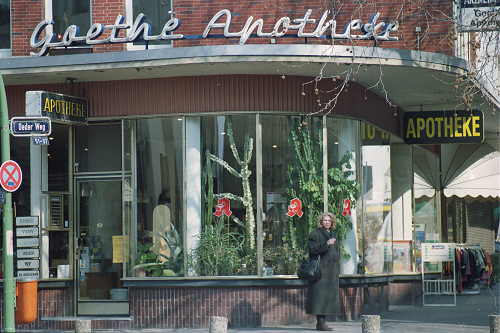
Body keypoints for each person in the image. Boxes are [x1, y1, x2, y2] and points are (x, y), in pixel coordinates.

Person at [305, 212, 340, 331]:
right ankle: (320, 322)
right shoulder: (315, 233)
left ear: (332, 223)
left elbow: (336, 253)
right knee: (320, 298)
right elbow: (311, 249)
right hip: (321, 271)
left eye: (329, 221)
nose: (327, 223)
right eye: (325, 220)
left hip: (330, 272)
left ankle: (322, 322)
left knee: (326, 298)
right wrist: (326, 244)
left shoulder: (333, 234)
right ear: (321, 222)